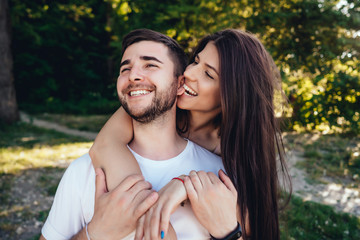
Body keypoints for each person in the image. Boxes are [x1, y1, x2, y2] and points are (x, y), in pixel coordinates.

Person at [90, 29, 292, 240]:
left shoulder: (233, 152)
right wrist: (150, 214)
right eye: (196, 61)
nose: (188, 74)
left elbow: (250, 224)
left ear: (232, 95)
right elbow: (105, 145)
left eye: (208, 74)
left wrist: (185, 184)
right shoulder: (160, 101)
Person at [40, 29, 227, 240]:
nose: (133, 75)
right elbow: (106, 143)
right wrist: (95, 233)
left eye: (150, 65)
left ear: (179, 83)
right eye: (125, 68)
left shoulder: (221, 176)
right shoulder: (84, 171)